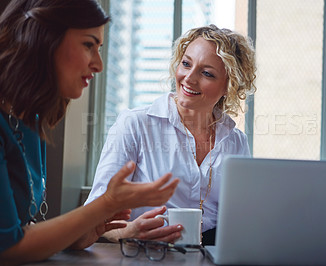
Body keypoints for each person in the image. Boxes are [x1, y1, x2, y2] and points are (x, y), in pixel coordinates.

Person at [0, 0, 179, 265]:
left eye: (100, 48)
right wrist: (106, 204)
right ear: (43, 37)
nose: (99, 65)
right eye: (88, 45)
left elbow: (24, 229)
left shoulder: (28, 120)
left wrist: (85, 231)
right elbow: (8, 249)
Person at [85, 24, 257, 245]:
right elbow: (91, 221)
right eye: (186, 64)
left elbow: (243, 221)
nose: (189, 78)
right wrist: (131, 231)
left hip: (211, 255)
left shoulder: (236, 141)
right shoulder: (135, 124)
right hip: (144, 254)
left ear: (229, 85)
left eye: (206, 73)